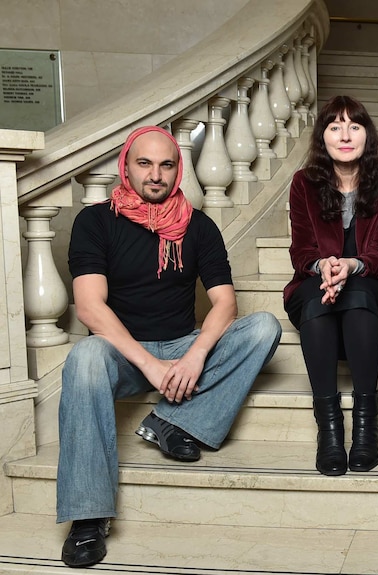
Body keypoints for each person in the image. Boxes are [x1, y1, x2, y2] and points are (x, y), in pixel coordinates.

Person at [58, 126, 282, 568]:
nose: (155, 175)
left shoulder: (199, 226)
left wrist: (195, 354)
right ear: (126, 166)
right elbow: (88, 307)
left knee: (264, 327)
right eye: (144, 163)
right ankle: (88, 517)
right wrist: (151, 367)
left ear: (178, 170)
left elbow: (224, 303)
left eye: (166, 165)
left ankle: (173, 422)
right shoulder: (96, 221)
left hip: (181, 344)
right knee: (83, 357)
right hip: (122, 349)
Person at [283, 96, 378, 477]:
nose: (345, 135)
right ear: (322, 137)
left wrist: (351, 265)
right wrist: (323, 265)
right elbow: (301, 251)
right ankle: (328, 429)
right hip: (315, 283)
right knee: (316, 300)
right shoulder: (303, 183)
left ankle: (365, 422)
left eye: (354, 126)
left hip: (371, 285)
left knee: (357, 293)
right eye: (335, 126)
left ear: (367, 136)